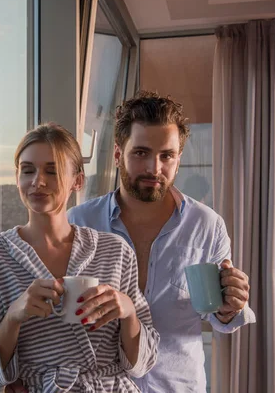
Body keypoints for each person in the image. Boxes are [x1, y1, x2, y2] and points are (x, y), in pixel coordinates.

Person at [67, 91, 256, 393]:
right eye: (141, 153)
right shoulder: (78, 222)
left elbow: (218, 316)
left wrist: (230, 306)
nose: (154, 168)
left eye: (166, 155)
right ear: (118, 155)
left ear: (178, 160)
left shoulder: (207, 226)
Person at [0, 123, 159, 392]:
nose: (37, 181)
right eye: (27, 170)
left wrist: (128, 311)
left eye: (52, 171)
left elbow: (144, 363)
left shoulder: (115, 251)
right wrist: (13, 317)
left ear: (77, 181)